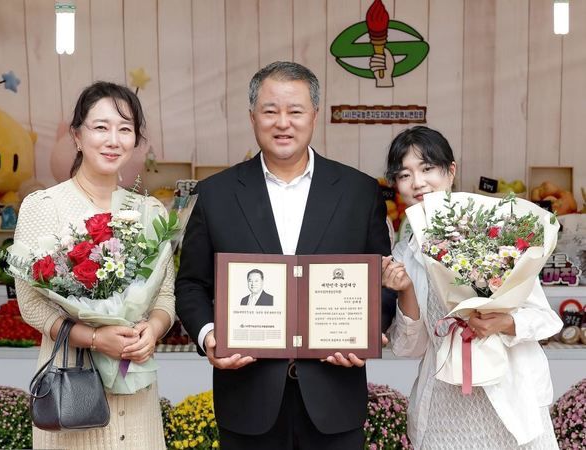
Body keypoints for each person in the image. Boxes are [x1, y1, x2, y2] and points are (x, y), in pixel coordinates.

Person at [175, 61, 395, 450]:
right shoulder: (217, 194)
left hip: (334, 399)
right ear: (252, 116)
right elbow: (192, 282)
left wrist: (365, 333)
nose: (283, 122)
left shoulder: (359, 192)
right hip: (248, 400)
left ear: (314, 116)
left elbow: (382, 278)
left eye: (295, 111)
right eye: (270, 110)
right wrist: (210, 336)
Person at [14, 81, 175, 449]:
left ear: (136, 140)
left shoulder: (148, 212)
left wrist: (153, 328)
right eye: (100, 127)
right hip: (73, 389)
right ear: (76, 136)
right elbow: (31, 304)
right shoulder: (45, 207)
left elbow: (165, 295)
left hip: (137, 393)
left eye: (125, 129)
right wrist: (96, 338)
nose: (113, 140)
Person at [382, 125, 562, 449]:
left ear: (451, 171)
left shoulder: (495, 233)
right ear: (396, 183)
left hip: (508, 397)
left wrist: (505, 323)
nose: (418, 182)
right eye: (405, 174)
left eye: (427, 169)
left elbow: (546, 319)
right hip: (444, 404)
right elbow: (410, 349)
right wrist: (406, 289)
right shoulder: (403, 254)